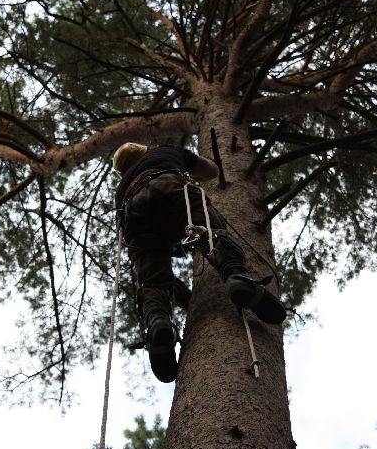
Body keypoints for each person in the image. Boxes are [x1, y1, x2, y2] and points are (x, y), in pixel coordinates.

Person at [114, 142, 286, 383]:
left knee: (152, 279)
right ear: (145, 152)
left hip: (132, 210)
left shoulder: (122, 186)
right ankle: (237, 277)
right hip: (169, 185)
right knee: (210, 233)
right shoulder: (164, 152)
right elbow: (211, 171)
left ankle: (157, 322)